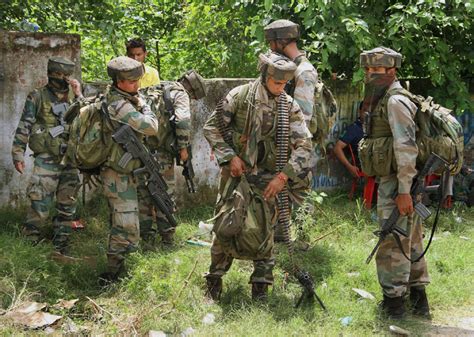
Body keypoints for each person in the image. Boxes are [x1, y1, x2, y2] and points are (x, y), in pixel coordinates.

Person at [203, 52, 313, 301]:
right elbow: (211, 127)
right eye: (277, 83)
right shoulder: (239, 96)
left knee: (266, 229)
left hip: (270, 177)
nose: (281, 88)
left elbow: (304, 145)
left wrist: (283, 177)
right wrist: (231, 156)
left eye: (285, 84)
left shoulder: (288, 106)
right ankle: (214, 281)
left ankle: (261, 287)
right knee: (226, 226)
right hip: (236, 174)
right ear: (264, 76)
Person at [359, 47, 430, 319]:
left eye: (374, 70)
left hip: (398, 181)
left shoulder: (394, 102)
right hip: (403, 179)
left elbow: (405, 148)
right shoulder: (390, 97)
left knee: (393, 242)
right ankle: (419, 301)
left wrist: (403, 191)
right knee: (411, 239)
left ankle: (395, 305)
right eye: (366, 70)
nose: (369, 75)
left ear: (391, 71)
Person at [12, 57, 84, 253]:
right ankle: (29, 244)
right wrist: (18, 153)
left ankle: (62, 244)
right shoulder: (37, 97)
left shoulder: (74, 98)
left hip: (69, 157)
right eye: (60, 75)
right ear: (51, 74)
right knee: (40, 201)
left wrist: (78, 95)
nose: (64, 79)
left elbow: (85, 119)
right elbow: (25, 125)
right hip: (47, 159)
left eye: (67, 75)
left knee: (67, 202)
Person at [99, 56, 158, 282]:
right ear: (118, 82)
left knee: (124, 223)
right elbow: (151, 127)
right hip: (116, 174)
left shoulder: (124, 98)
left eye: (138, 81)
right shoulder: (118, 104)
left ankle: (126, 272)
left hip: (123, 172)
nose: (137, 86)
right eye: (132, 82)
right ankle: (112, 275)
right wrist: (146, 107)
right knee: (126, 226)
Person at [138, 70, 207, 246]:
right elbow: (182, 121)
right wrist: (183, 148)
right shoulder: (180, 93)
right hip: (160, 153)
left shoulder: (157, 88)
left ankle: (146, 237)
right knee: (164, 192)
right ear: (192, 90)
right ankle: (167, 237)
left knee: (143, 193)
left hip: (139, 148)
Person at [264, 19, 318, 129]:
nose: (270, 48)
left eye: (271, 43)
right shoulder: (288, 66)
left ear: (280, 42)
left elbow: (302, 122)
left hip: (294, 142)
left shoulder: (304, 72)